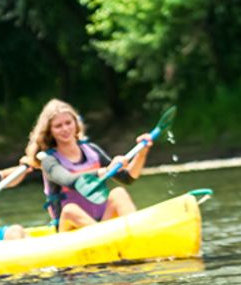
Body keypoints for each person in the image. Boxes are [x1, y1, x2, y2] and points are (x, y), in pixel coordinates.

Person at [23, 99, 153, 231]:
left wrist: (141, 153)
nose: (65, 129)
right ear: (50, 131)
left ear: (76, 123)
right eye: (58, 126)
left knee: (119, 193)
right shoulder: (49, 160)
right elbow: (68, 180)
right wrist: (105, 170)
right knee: (69, 210)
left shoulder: (92, 150)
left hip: (100, 223)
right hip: (70, 229)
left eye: (68, 123)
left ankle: (141, 237)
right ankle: (108, 237)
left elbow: (128, 178)